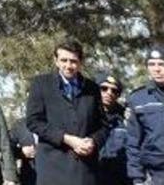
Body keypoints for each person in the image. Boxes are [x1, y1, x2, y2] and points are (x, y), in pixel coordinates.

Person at [25, 40, 106, 185]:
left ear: (80, 62)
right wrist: (66, 139)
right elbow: (33, 121)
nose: (68, 66)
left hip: (85, 170)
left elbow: (103, 126)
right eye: (64, 60)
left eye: (73, 61)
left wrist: (93, 141)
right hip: (53, 169)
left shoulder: (92, 88)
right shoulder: (41, 84)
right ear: (56, 61)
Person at [126, 46, 164, 185]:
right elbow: (133, 141)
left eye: (161, 64)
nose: (157, 69)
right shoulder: (138, 99)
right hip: (154, 175)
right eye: (152, 64)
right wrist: (137, 178)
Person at [98, 73, 130, 185]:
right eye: (104, 88)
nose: (109, 93)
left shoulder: (126, 119)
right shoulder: (84, 115)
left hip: (120, 178)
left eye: (114, 91)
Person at [10, 118, 38, 185]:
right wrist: (22, 152)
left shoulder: (54, 122)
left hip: (52, 172)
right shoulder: (20, 125)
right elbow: (9, 148)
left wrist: (38, 150)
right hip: (30, 175)